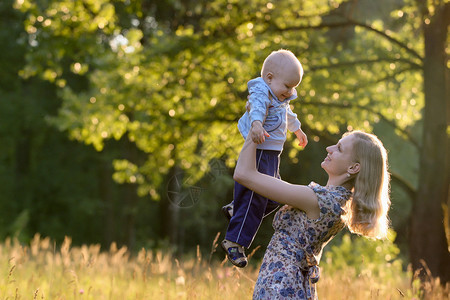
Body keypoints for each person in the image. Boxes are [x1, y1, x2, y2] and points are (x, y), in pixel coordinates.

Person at [233, 130, 391, 299]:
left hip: (282, 290)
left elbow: (244, 174)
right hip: (285, 287)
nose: (329, 148)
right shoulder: (336, 201)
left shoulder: (322, 201)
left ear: (353, 167)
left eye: (339, 148)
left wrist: (254, 128)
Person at [221, 49, 308, 268]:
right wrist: (256, 123)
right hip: (260, 152)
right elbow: (257, 107)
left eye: (294, 87)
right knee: (258, 197)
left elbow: (288, 113)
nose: (290, 92)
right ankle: (234, 242)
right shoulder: (263, 91)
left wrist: (297, 130)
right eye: (288, 86)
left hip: (272, 155)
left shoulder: (280, 95)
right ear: (269, 78)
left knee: (277, 196)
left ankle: (237, 208)